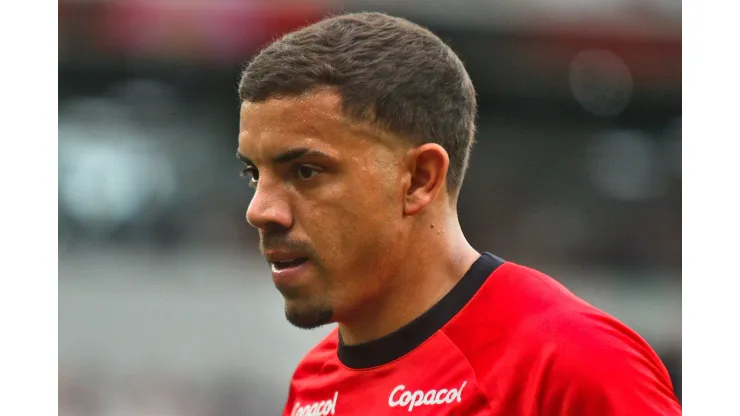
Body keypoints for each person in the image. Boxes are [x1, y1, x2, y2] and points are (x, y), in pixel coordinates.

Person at [236, 12, 681, 416]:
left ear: (420, 179)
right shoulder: (311, 385)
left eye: (306, 171)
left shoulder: (569, 364)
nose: (259, 211)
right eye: (254, 173)